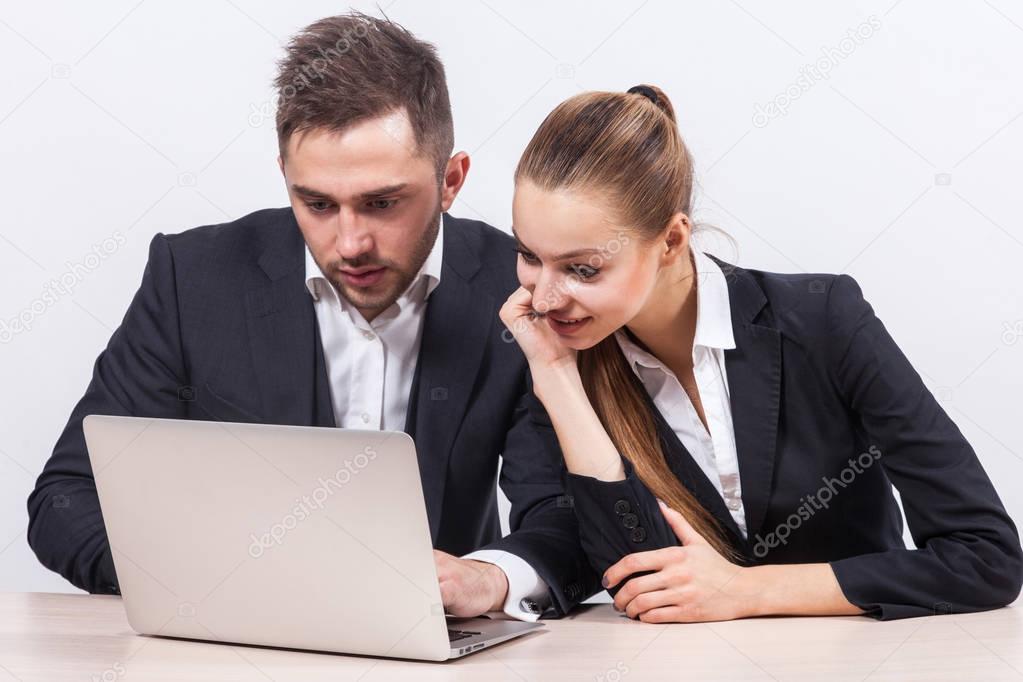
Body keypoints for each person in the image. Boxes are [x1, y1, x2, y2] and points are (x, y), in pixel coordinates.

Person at [27, 12, 599, 621]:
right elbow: (68, 499)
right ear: (285, 178)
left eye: (382, 203)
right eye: (317, 203)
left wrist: (489, 579)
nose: (349, 243)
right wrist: (214, 578)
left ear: (450, 180)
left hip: (437, 649)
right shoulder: (191, 278)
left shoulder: (516, 289)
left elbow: (569, 512)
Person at [499, 84, 1023, 622]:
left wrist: (748, 591)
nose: (543, 298)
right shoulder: (558, 355)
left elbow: (985, 558)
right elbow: (635, 580)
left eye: (582, 269)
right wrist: (558, 376)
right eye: (528, 256)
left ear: (672, 242)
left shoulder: (823, 320)